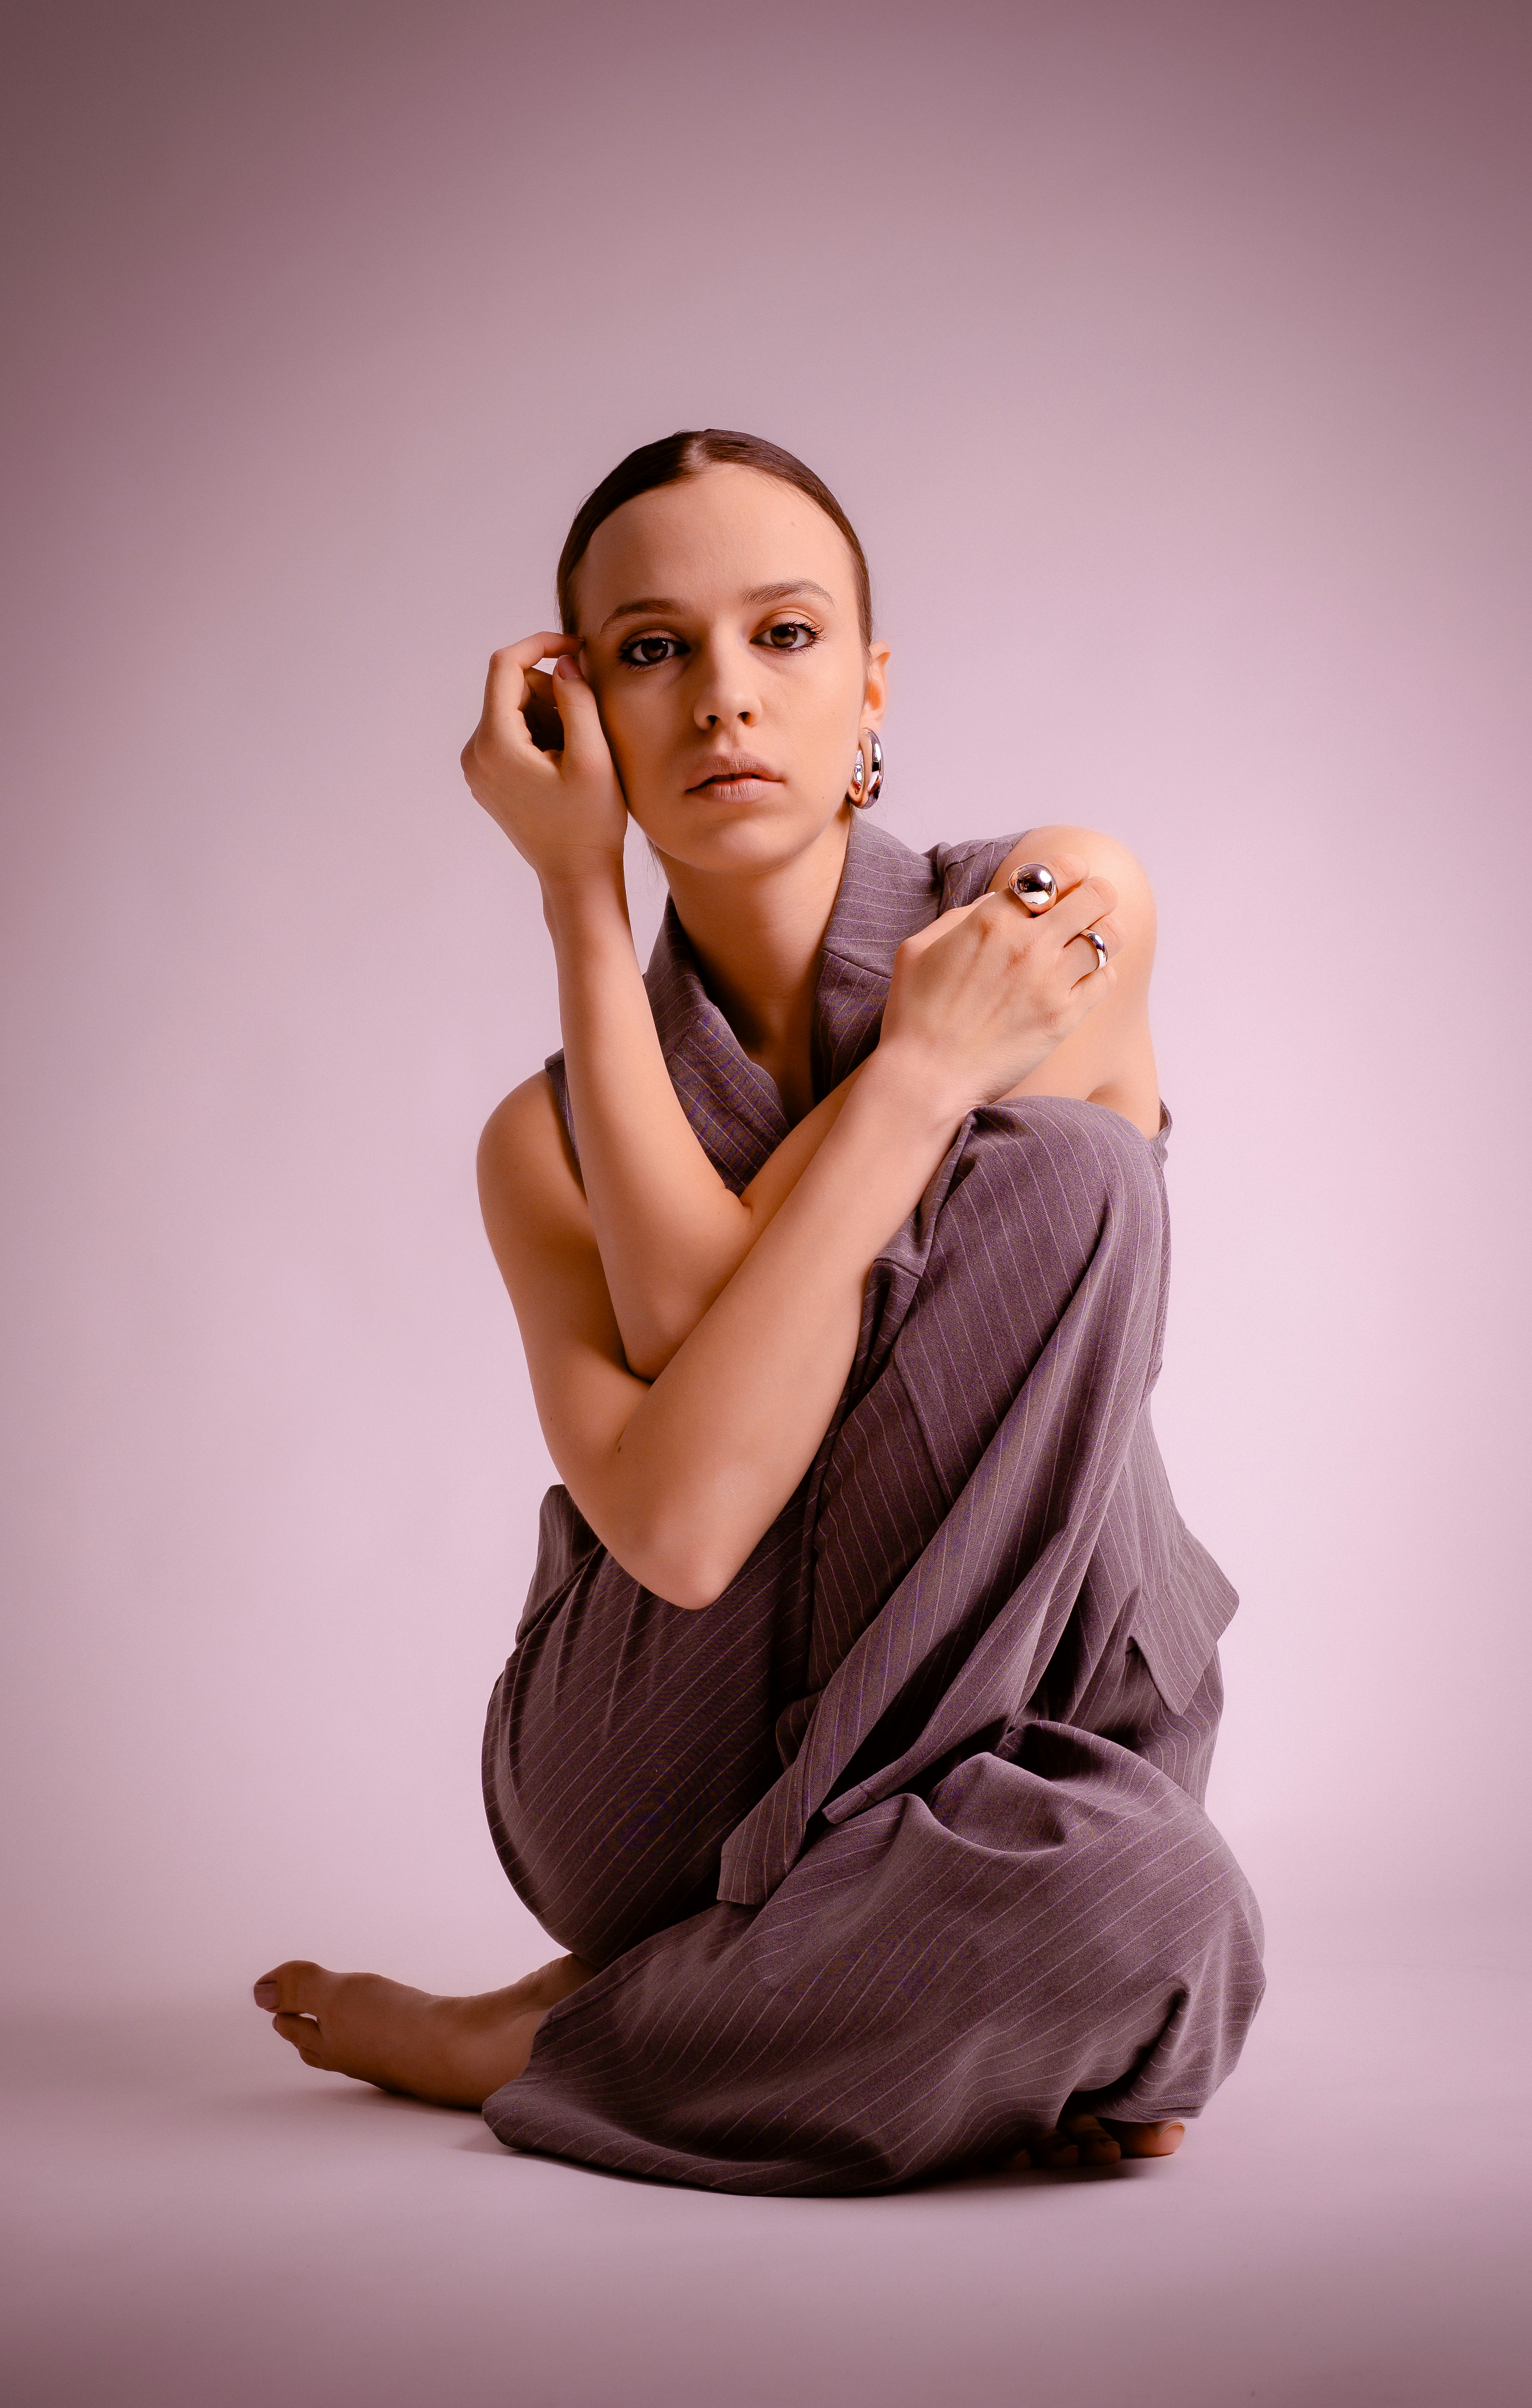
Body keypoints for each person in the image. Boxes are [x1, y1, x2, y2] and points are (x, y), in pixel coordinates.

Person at [254, 429, 1265, 2194]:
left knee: (1149, 1894)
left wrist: (939, 1073)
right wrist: (589, 905)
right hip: (661, 1760)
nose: (724, 695)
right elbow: (691, 1521)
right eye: (653, 651)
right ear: (587, 721)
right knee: (1125, 1969)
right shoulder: (543, 1138)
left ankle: (567, 2029)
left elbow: (722, 1321)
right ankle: (837, 1987)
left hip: (1022, 1732)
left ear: (871, 688)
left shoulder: (1055, 908)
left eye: (784, 635)